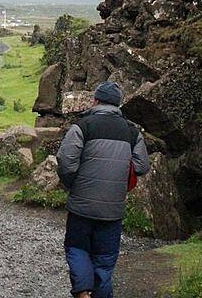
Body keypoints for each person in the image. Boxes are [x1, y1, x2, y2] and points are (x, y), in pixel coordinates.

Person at [56, 81, 151, 298]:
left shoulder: (83, 126)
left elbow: (65, 161)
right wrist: (119, 174)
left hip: (81, 206)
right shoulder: (131, 132)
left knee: (77, 249)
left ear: (96, 100)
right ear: (118, 104)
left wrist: (73, 184)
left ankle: (82, 292)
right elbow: (143, 166)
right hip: (113, 210)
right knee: (105, 261)